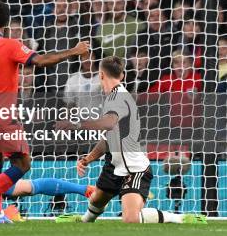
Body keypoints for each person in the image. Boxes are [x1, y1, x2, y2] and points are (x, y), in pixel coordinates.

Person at [0, 0, 89, 223]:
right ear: (5, 24)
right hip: (3, 112)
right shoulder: (11, 45)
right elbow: (42, 61)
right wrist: (74, 50)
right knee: (23, 164)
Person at [55, 56, 206, 224]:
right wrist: (89, 158)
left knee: (130, 219)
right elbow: (109, 136)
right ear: (123, 76)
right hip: (114, 163)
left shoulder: (118, 97)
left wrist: (75, 124)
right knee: (97, 199)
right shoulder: (114, 97)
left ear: (101, 75)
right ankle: (84, 221)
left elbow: (108, 123)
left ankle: (180, 218)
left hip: (134, 168)